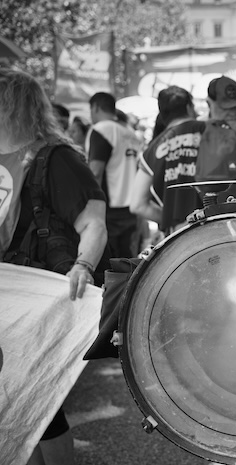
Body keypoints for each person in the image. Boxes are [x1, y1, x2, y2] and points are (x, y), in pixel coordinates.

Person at [0, 68, 108, 465]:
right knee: (11, 399)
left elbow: (94, 222)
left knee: (36, 399)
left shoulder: (56, 158)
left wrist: (83, 264)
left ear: (10, 106)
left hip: (38, 295)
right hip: (8, 295)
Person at [130, 85, 236, 234]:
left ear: (163, 113)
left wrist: (171, 221)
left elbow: (137, 205)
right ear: (189, 107)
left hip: (182, 236)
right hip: (227, 229)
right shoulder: (212, 129)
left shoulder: (153, 149)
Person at [86, 92, 141, 258]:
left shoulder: (102, 129)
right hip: (131, 207)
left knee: (108, 261)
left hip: (109, 210)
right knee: (126, 259)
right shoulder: (130, 133)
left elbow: (95, 171)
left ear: (95, 107)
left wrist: (90, 207)